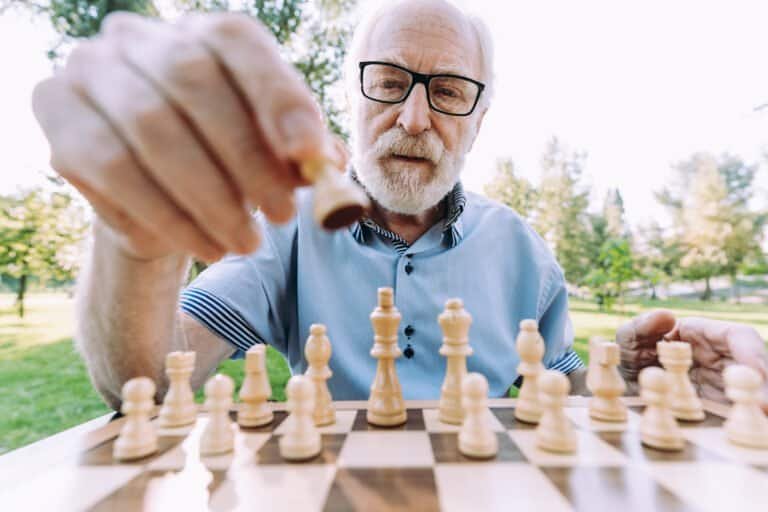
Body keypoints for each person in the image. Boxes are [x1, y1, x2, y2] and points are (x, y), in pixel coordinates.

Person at [32, 0, 767, 411]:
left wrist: (632, 374)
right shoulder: (284, 229)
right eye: (388, 82)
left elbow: (563, 386)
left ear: (479, 122)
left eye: (448, 91)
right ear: (352, 98)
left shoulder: (523, 249)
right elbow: (147, 385)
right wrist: (135, 235)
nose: (414, 119)